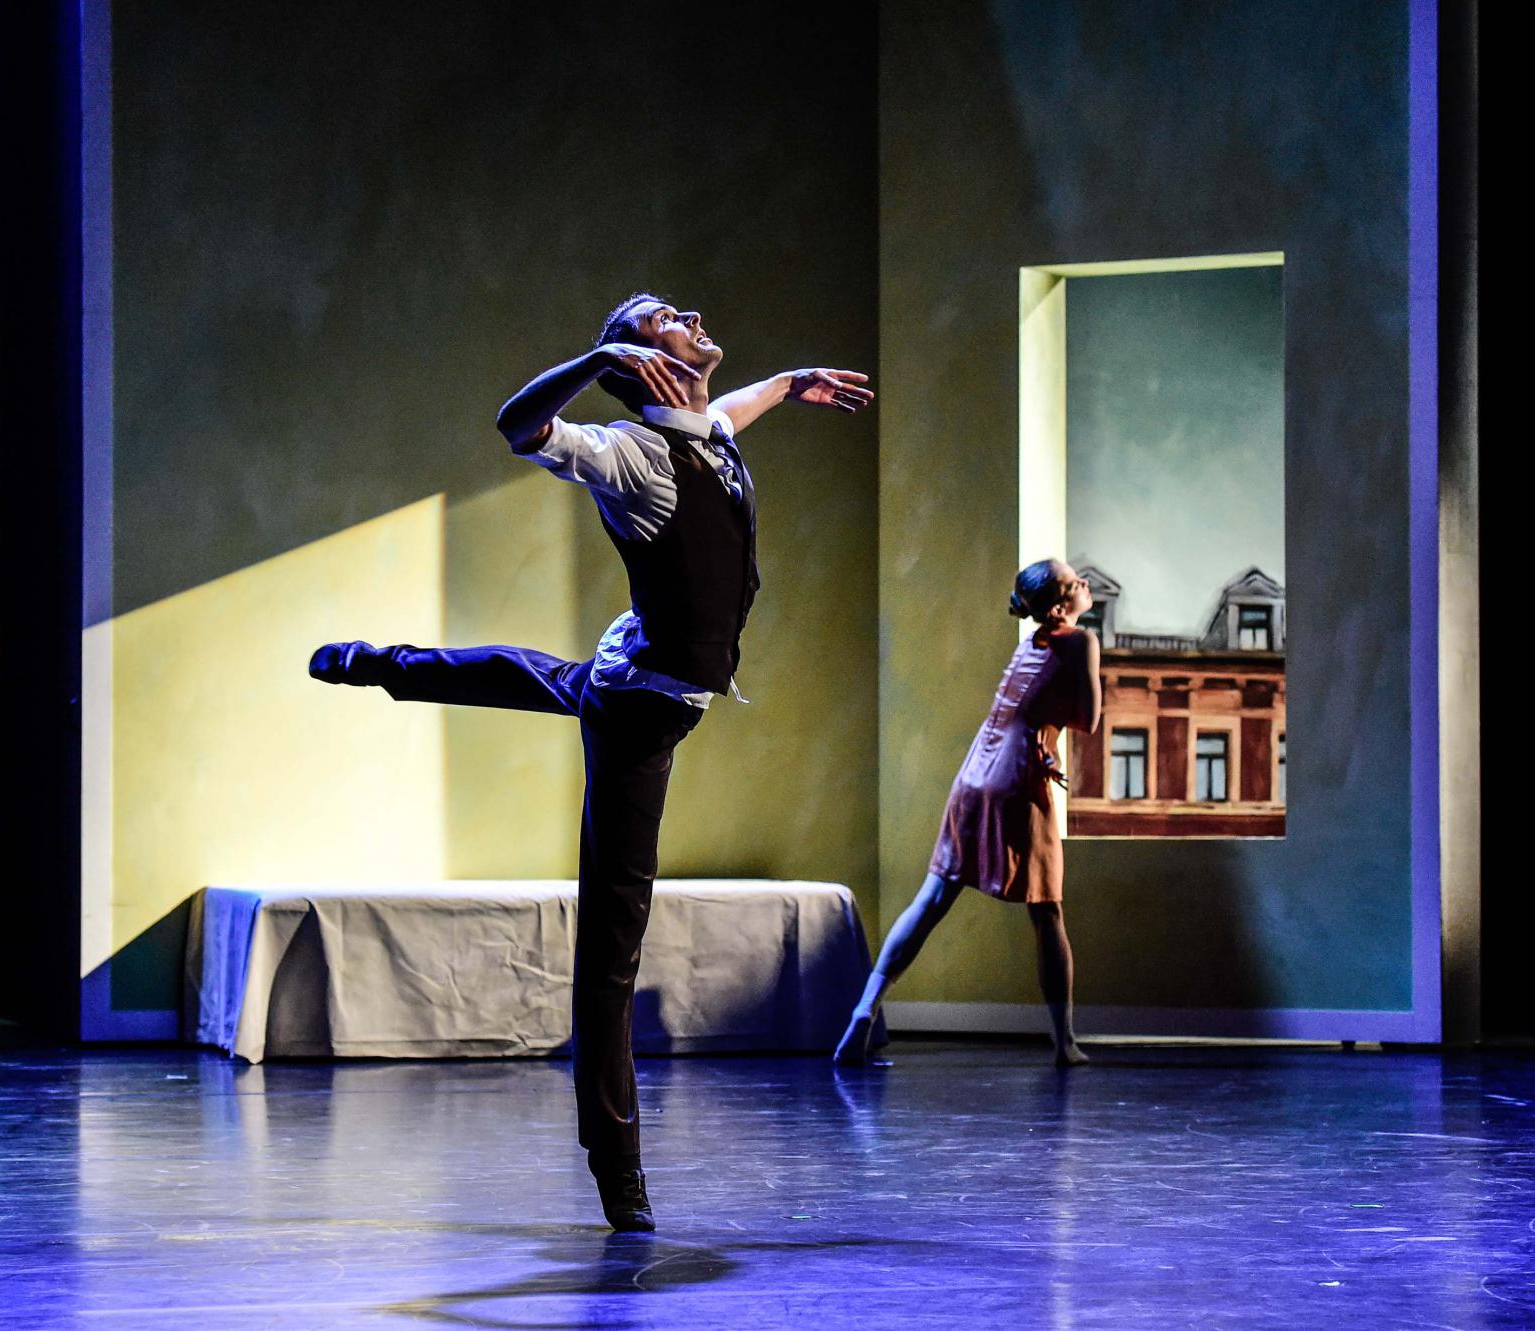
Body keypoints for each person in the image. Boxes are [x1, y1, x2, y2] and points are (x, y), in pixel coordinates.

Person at [309, 293, 872, 1231]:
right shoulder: (631, 455)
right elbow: (519, 427)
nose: (690, 312)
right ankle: (618, 1166)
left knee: (541, 677)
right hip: (640, 711)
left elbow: (733, 409)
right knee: (613, 945)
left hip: (643, 675)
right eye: (663, 317)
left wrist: (789, 383)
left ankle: (378, 663)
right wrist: (594, 358)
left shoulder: (708, 433)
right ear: (642, 359)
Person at [835, 559, 1102, 1069]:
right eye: (1074, 582)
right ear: (1057, 607)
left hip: (976, 775)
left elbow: (1024, 708)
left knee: (932, 898)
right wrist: (1048, 738)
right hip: (1017, 780)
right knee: (1047, 912)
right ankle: (1064, 1041)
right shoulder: (1080, 641)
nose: (1084, 583)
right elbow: (1088, 719)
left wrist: (1045, 734)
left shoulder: (1029, 644)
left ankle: (864, 1011)